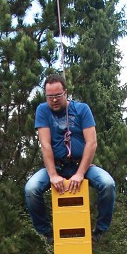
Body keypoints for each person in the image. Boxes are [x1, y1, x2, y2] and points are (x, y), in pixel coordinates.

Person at [24, 73, 116, 242]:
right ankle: (47, 233)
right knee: (31, 189)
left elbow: (91, 143)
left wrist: (80, 173)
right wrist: (52, 175)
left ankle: (100, 231)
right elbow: (45, 144)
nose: (54, 100)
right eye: (50, 96)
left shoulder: (82, 109)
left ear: (65, 92)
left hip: (82, 165)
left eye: (57, 96)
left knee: (108, 184)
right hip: (56, 166)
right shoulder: (42, 110)